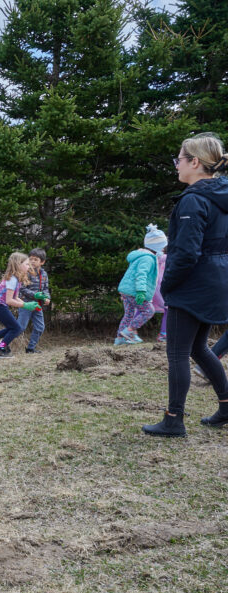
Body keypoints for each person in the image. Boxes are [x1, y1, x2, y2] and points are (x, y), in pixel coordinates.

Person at [143, 133, 228, 437]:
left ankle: (173, 419)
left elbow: (188, 252)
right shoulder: (221, 195)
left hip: (193, 284)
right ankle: (227, 406)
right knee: (198, 348)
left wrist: (168, 286)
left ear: (194, 162)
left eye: (179, 159)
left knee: (178, 352)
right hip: (216, 280)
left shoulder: (194, 199)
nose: (176, 165)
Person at [0, 252, 37, 359]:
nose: (29, 266)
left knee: (13, 328)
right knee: (16, 328)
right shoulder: (12, 280)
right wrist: (24, 306)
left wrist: (26, 304)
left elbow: (15, 297)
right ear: (18, 264)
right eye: (27, 264)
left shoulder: (17, 279)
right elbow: (9, 300)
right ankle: (0, 349)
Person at [114, 226, 166, 345]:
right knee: (149, 311)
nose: (163, 250)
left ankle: (120, 338)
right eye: (162, 247)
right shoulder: (148, 259)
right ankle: (129, 331)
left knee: (128, 314)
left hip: (126, 290)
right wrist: (141, 291)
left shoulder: (141, 255)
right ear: (157, 247)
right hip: (134, 291)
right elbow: (141, 275)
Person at [17, 249, 51, 353]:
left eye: (35, 259)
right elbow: (21, 288)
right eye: (30, 259)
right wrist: (34, 295)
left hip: (37, 305)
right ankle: (1, 344)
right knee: (20, 327)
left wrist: (47, 297)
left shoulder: (44, 274)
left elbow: (45, 288)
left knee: (40, 327)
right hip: (25, 304)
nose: (32, 261)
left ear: (42, 262)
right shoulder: (26, 272)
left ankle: (30, 348)